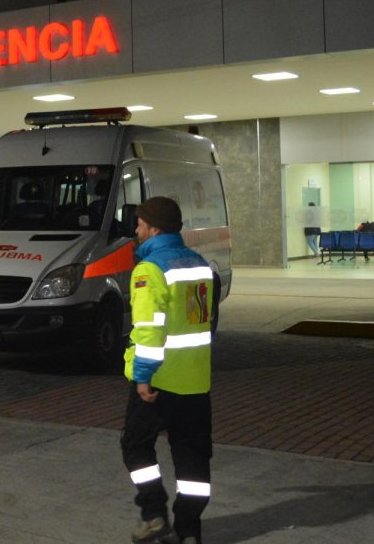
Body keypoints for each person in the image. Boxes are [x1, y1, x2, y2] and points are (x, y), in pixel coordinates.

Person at [121, 197, 214, 544]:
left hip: (159, 381)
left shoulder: (150, 270)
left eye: (140, 224)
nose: (136, 230)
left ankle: (154, 515)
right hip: (196, 380)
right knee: (192, 458)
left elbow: (149, 329)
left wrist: (143, 376)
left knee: (135, 446)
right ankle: (189, 531)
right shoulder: (199, 264)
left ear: (154, 228)